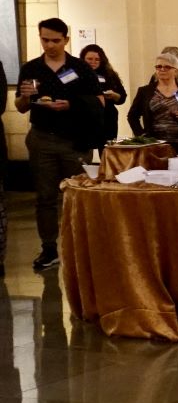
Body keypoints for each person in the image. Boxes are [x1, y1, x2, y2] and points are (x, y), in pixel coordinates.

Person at [18, 18, 102, 270]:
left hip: (73, 139)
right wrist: (25, 97)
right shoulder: (32, 68)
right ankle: (49, 248)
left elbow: (98, 101)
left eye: (55, 40)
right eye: (45, 40)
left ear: (66, 39)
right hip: (42, 137)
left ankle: (78, 245)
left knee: (75, 195)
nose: (50, 45)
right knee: (45, 196)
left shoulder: (80, 68)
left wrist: (71, 105)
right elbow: (21, 107)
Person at [127, 50, 178, 155]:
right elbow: (132, 116)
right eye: (158, 67)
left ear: (176, 71)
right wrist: (141, 136)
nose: (162, 69)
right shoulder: (145, 91)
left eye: (167, 67)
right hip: (155, 145)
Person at [80, 43, 125, 142]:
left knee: (106, 151)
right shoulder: (77, 74)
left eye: (97, 59)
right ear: (83, 59)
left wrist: (114, 95)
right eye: (90, 59)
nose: (93, 62)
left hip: (107, 118)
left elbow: (122, 97)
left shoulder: (110, 74)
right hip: (84, 118)